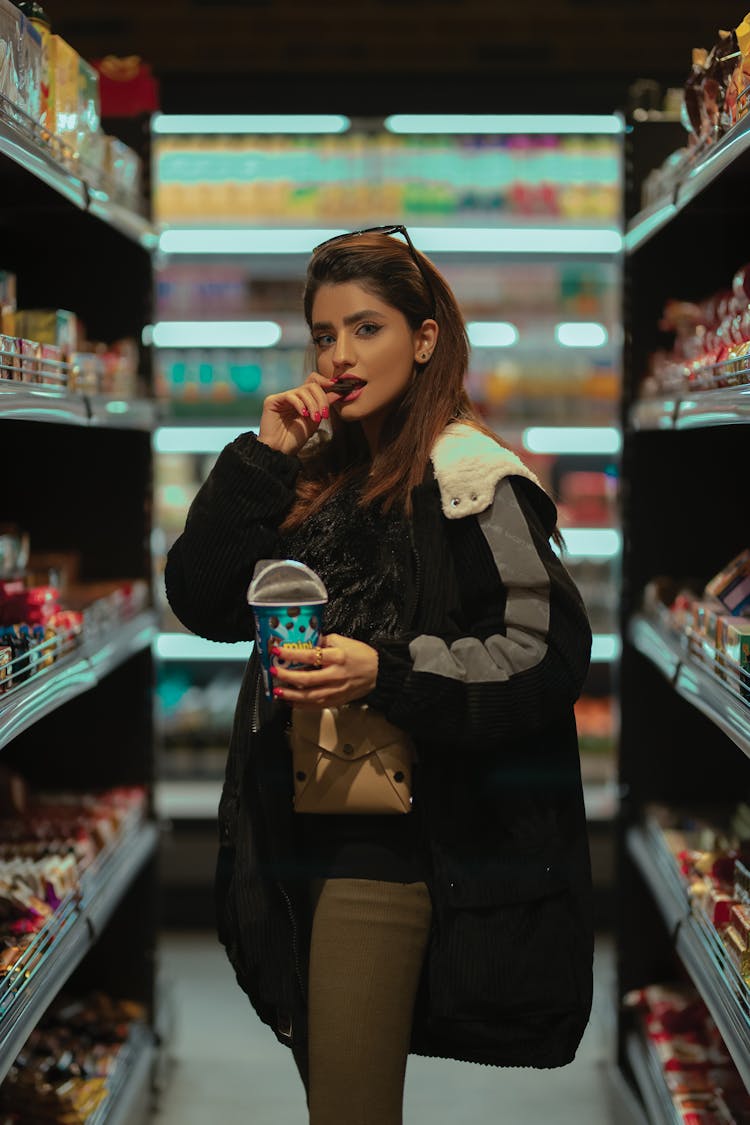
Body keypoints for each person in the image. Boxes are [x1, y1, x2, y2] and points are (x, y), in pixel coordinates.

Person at [165, 225, 594, 1124]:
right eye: (324, 335)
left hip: (389, 851)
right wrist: (263, 454)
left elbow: (543, 653)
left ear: (425, 336)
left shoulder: (473, 477)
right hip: (291, 841)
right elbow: (202, 602)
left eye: (367, 329)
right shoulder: (315, 470)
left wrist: (384, 671)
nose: (339, 355)